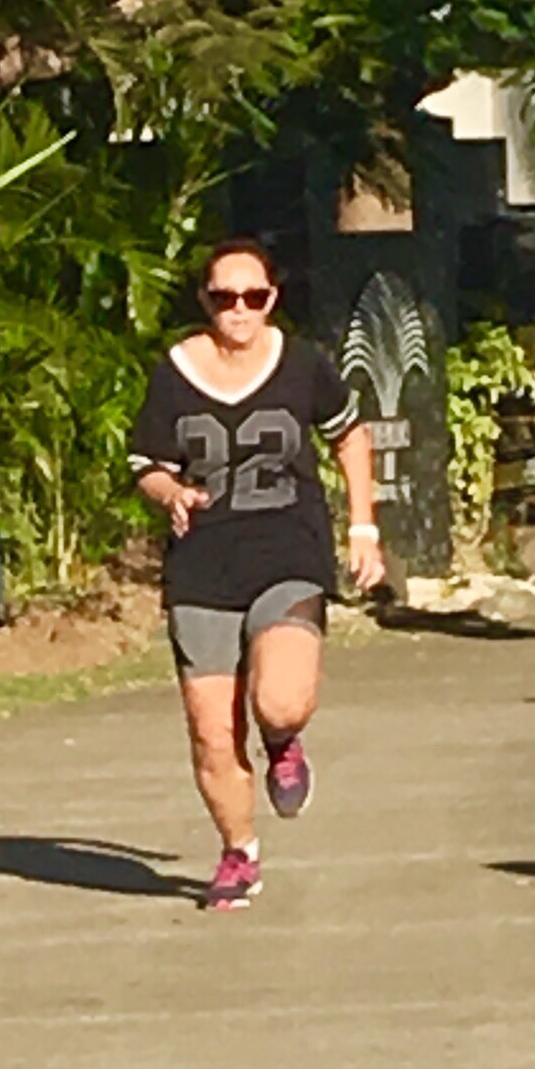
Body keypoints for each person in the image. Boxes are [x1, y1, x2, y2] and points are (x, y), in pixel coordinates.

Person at [129, 239, 384, 910]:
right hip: (203, 565)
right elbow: (147, 463)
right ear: (205, 300)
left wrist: (363, 526)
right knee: (212, 735)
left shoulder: (302, 364)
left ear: (272, 299)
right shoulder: (174, 372)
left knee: (279, 699)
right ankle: (239, 853)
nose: (238, 309)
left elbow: (350, 435)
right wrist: (170, 492)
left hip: (289, 552)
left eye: (253, 296)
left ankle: (283, 740)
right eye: (224, 297)